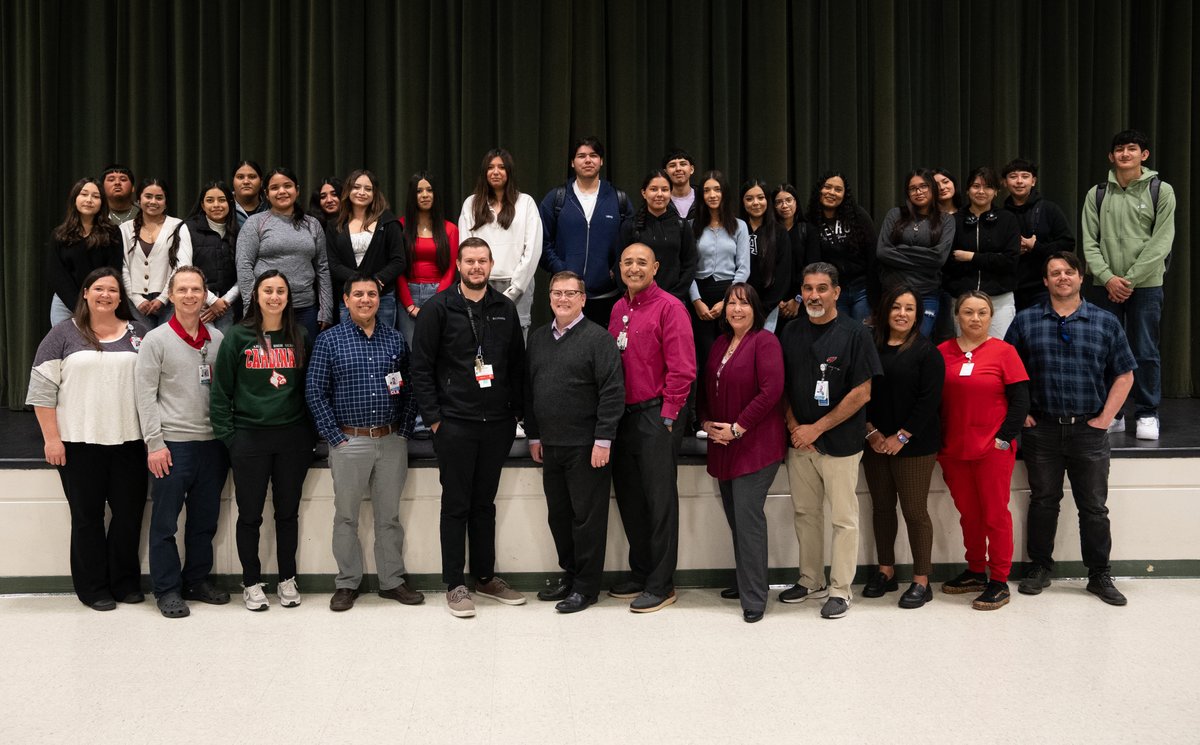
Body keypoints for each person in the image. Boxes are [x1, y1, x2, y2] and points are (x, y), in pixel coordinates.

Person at [1005, 251, 1136, 606]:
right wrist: (1023, 415)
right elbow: (1008, 373)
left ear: (1080, 278)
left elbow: (1125, 374)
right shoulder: (1026, 322)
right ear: (1045, 281)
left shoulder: (1106, 322)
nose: (1062, 277)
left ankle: (1098, 574)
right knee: (1044, 501)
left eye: (1069, 272)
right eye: (1054, 273)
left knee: (1093, 507)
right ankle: (1039, 567)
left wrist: (1105, 419)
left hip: (1089, 431)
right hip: (1042, 430)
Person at [410, 237, 527, 618]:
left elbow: (517, 367)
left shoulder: (504, 308)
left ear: (491, 265)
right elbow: (421, 368)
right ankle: (455, 584)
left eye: (483, 261)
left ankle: (485, 577)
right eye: (470, 261)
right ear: (458, 265)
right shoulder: (437, 308)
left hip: (496, 425)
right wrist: (434, 419)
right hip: (454, 424)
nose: (477, 267)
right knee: (456, 505)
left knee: (484, 505)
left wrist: (518, 416)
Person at [27, 267, 149, 611]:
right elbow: (41, 391)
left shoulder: (138, 334)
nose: (105, 295)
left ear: (120, 297)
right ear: (85, 293)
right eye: (98, 289)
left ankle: (124, 583)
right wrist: (52, 440)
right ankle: (93, 588)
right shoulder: (62, 335)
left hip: (130, 441)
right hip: (79, 443)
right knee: (87, 517)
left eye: (112, 290)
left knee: (128, 515)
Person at [306, 273, 423, 612]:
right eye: (358, 294)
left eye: (371, 294)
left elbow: (410, 387)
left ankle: (392, 581)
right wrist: (335, 439)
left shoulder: (396, 340)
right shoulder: (329, 341)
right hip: (349, 442)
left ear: (378, 299)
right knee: (346, 516)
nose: (365, 300)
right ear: (346, 299)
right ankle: (347, 583)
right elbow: (315, 392)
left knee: (389, 517)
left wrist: (403, 432)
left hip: (390, 441)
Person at [779, 262, 881, 619]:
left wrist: (816, 428)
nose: (814, 295)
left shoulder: (856, 334)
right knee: (805, 514)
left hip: (839, 444)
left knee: (843, 519)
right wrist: (795, 427)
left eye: (822, 288)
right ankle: (810, 580)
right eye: (808, 288)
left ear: (837, 292)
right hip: (799, 442)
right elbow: (783, 386)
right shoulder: (790, 332)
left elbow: (862, 392)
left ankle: (840, 589)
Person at [210, 270, 315, 612]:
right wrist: (231, 438)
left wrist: (308, 434)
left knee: (287, 514)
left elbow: (309, 389)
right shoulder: (238, 336)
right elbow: (221, 392)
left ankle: (287, 578)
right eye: (267, 290)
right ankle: (252, 582)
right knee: (250, 515)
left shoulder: (299, 334)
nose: (274, 296)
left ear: (288, 297)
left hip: (292, 439)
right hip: (249, 439)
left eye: (280, 291)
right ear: (255, 296)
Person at [525, 271, 625, 614]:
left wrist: (603, 441)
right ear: (549, 297)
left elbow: (612, 393)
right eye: (557, 293)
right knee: (559, 516)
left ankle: (587, 587)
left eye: (571, 293)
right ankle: (571, 575)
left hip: (587, 448)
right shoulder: (538, 339)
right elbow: (531, 391)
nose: (563, 299)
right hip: (551, 446)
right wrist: (534, 435)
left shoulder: (599, 339)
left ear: (583, 299)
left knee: (588, 519)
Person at [134, 266, 230, 618]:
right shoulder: (155, 340)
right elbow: (144, 395)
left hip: (212, 444)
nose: (190, 295)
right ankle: (167, 589)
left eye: (196, 289)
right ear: (170, 296)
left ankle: (197, 580)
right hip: (173, 445)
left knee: (205, 520)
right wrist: (154, 443)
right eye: (183, 290)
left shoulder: (217, 339)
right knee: (165, 524)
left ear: (205, 295)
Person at [607, 243, 696, 612]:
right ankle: (641, 571)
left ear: (655, 267)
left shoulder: (671, 308)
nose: (633, 268)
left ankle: (662, 584)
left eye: (641, 262)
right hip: (623, 416)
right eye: (627, 262)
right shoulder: (618, 308)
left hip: (658, 414)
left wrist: (670, 416)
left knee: (659, 502)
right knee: (631, 499)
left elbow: (683, 369)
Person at [1081, 129, 1176, 441]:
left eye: (1132, 149)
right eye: (1119, 149)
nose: (1125, 154)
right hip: (1103, 285)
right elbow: (1089, 243)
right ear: (1111, 156)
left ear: (1143, 155)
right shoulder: (1097, 193)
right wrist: (1108, 278)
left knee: (1145, 350)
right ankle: (1114, 413)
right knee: (1104, 351)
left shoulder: (1161, 191)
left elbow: (1161, 243)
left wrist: (1130, 280)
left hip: (1146, 286)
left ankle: (1147, 412)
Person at [698, 283, 785, 623]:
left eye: (744, 304)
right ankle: (749, 581)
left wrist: (736, 428)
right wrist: (707, 422)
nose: (736, 309)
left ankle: (754, 597)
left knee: (748, 522)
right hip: (724, 445)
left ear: (755, 310)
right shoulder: (720, 343)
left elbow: (771, 391)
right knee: (737, 521)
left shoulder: (765, 342)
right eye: (731, 303)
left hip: (755, 446)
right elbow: (706, 389)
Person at [937, 291, 1029, 611]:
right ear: (957, 317)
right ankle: (976, 570)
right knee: (969, 515)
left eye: (982, 313)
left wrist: (1003, 439)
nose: (975, 318)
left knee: (994, 516)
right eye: (968, 312)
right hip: (953, 450)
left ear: (991, 317)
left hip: (993, 449)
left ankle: (999, 580)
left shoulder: (1005, 353)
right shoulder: (942, 353)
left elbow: (1020, 402)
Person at [860, 285, 944, 609]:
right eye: (896, 307)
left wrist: (902, 437)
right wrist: (871, 433)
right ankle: (886, 571)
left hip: (915, 446)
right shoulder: (870, 346)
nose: (902, 314)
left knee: (914, 511)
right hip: (875, 443)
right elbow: (860, 392)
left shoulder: (927, 352)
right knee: (881, 509)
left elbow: (928, 402)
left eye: (909, 308)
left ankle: (922, 580)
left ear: (918, 315)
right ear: (885, 310)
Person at [540, 136, 632, 326]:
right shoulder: (557, 198)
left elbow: (630, 243)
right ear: (572, 162)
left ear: (601, 161)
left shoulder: (618, 199)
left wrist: (615, 270)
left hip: (607, 296)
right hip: (566, 297)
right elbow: (542, 242)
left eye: (593, 155)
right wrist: (562, 269)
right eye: (581, 156)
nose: (588, 160)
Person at [236, 167, 333, 341]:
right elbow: (244, 265)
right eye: (274, 188)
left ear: (297, 190)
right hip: (266, 308)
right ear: (266, 194)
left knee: (304, 364)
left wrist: (326, 309)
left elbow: (323, 268)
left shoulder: (312, 224)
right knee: (269, 363)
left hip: (305, 308)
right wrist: (252, 307)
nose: (281, 191)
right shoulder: (255, 223)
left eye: (287, 186)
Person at [460, 148, 543, 333]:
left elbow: (533, 250)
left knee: (517, 338)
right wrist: (476, 280)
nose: (495, 172)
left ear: (509, 172)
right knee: (479, 337)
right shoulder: (471, 204)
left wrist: (515, 288)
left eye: (501, 167)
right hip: (480, 283)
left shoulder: (526, 203)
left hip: (518, 285)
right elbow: (465, 248)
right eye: (490, 167)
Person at [690, 170, 751, 408]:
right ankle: (703, 415)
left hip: (730, 295)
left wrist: (728, 302)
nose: (712, 195)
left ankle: (730, 409)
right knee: (705, 359)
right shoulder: (692, 227)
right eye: (707, 190)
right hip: (700, 295)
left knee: (732, 355)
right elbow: (687, 268)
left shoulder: (739, 226)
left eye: (717, 189)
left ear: (725, 193)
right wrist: (696, 301)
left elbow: (744, 268)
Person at [943, 166, 1021, 338]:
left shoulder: (1007, 219)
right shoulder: (953, 221)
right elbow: (948, 261)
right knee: (964, 352)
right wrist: (993, 259)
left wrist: (971, 257)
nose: (981, 191)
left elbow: (1010, 261)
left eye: (987, 187)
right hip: (962, 299)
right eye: (976, 186)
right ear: (967, 190)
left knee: (999, 351)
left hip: (999, 299)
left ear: (996, 192)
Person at [876, 169, 955, 336]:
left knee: (919, 344)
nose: (918, 192)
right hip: (893, 293)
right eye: (913, 188)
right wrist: (926, 256)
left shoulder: (946, 219)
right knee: (891, 343)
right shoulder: (895, 214)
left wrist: (900, 250)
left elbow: (939, 258)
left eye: (924, 186)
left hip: (926, 294)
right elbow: (883, 252)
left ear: (932, 188)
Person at [325, 169, 406, 330]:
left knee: (383, 346)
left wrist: (375, 282)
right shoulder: (335, 225)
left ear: (375, 193)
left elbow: (398, 260)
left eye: (368, 189)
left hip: (382, 298)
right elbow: (334, 265)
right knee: (350, 348)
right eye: (356, 187)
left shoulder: (388, 222)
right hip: (349, 297)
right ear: (348, 190)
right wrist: (359, 283)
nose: (362, 192)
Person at [1000, 158, 1075, 311]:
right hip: (1008, 289)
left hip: (1043, 288)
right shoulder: (1000, 214)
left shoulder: (1049, 209)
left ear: (1033, 181)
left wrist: (1035, 247)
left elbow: (1067, 243)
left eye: (1025, 176)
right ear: (1004, 182)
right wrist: (1012, 250)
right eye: (1013, 177)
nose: (1019, 181)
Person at [46, 177, 122, 326]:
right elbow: (56, 273)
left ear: (102, 203)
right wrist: (78, 305)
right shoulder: (60, 234)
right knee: (66, 347)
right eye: (84, 194)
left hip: (102, 301)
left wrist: (95, 300)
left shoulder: (112, 233)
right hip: (65, 303)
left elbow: (113, 270)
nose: (89, 200)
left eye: (95, 196)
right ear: (75, 198)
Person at [120, 178, 193, 329]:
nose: (153, 201)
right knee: (141, 345)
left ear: (166, 202)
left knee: (167, 345)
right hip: (135, 301)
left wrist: (164, 297)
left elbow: (183, 266)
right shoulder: (125, 228)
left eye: (159, 198)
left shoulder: (178, 226)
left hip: (171, 299)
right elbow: (122, 267)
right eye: (148, 196)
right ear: (138, 199)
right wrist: (136, 299)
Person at [618, 169, 698, 305]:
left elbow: (690, 264)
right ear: (644, 193)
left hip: (674, 301)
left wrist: (674, 297)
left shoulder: (682, 226)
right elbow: (619, 264)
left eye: (665, 189)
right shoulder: (630, 226)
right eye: (654, 189)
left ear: (670, 193)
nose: (659, 194)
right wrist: (632, 295)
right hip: (638, 301)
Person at [398, 171, 459, 348]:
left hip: (439, 294)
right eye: (419, 191)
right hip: (408, 296)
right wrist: (409, 305)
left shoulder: (450, 229)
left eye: (429, 190)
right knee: (411, 350)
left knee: (438, 349)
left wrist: (437, 300)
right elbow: (398, 269)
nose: (425, 195)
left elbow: (451, 268)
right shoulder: (400, 226)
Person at [804, 172, 876, 322]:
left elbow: (873, 254)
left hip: (862, 289)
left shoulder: (858, 216)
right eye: (828, 187)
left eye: (838, 189)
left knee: (862, 335)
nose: (832, 193)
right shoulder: (810, 221)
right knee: (838, 335)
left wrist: (875, 292)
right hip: (833, 291)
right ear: (819, 190)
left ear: (844, 194)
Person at [184, 181, 240, 332]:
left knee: (222, 349)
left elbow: (244, 273)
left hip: (228, 304)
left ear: (230, 203)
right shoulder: (188, 228)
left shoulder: (240, 231)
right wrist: (211, 300)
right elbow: (184, 269)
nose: (216, 205)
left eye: (221, 200)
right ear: (202, 205)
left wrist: (224, 302)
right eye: (210, 200)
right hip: (195, 300)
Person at [739, 179, 792, 333]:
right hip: (739, 305)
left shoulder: (779, 232)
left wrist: (763, 308)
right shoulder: (736, 229)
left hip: (768, 308)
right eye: (749, 199)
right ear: (742, 202)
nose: (756, 203)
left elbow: (783, 275)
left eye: (760, 198)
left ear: (767, 200)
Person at [662, 147, 699, 220]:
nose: (678, 169)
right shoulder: (660, 199)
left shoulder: (703, 198)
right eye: (672, 165)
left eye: (683, 164)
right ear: (665, 172)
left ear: (691, 169)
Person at [232, 160, 267, 227]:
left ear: (261, 182)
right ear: (233, 182)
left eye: (252, 177)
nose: (246, 182)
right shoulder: (224, 207)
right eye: (240, 177)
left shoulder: (271, 206)